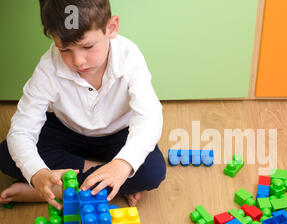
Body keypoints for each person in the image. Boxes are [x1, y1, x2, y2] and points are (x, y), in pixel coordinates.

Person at [0, 0, 166, 210]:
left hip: (118, 132)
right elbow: (21, 131)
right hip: (67, 129)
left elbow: (149, 118)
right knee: (6, 155)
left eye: (87, 46)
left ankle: (58, 191)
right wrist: (37, 173)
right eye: (65, 49)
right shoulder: (48, 68)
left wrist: (122, 164)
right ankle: (96, 174)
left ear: (111, 28)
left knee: (152, 171)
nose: (78, 61)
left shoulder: (129, 57)